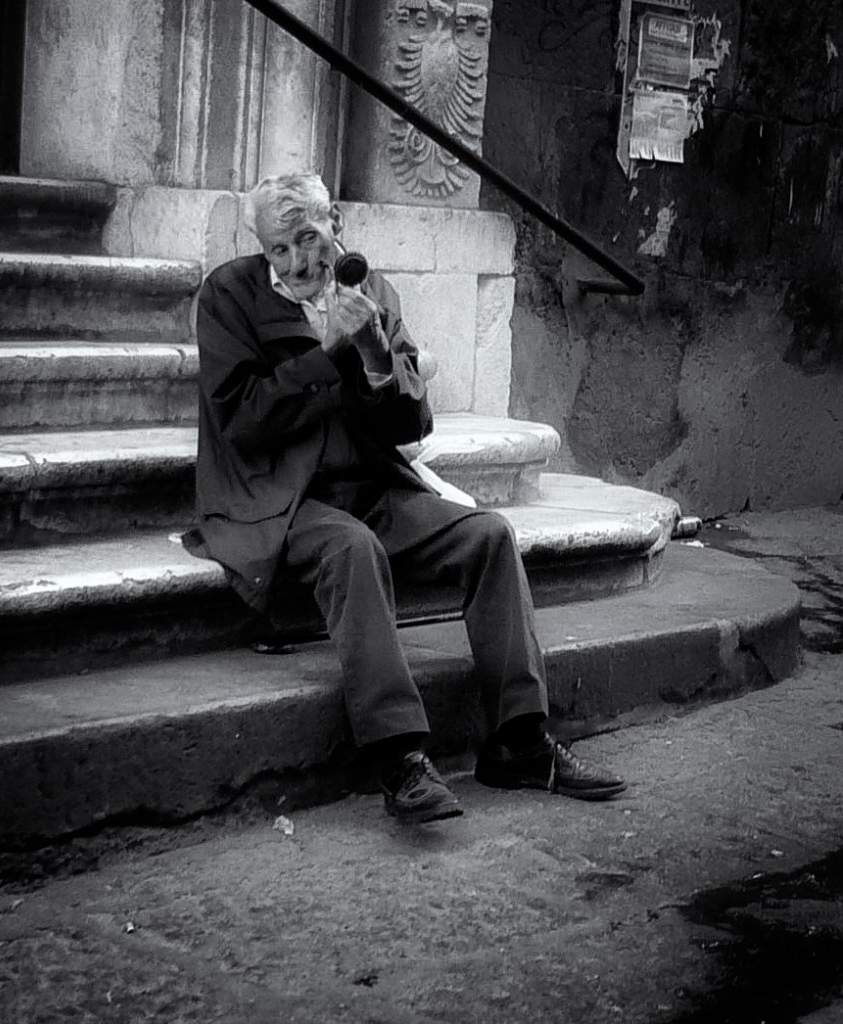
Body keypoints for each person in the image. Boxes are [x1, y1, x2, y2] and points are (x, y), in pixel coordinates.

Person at [183, 172, 626, 823]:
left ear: (334, 220)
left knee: (488, 534)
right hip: (276, 499)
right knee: (352, 549)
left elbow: (411, 425)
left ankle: (520, 742)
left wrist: (372, 356)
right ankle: (400, 758)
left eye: (307, 238)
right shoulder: (230, 294)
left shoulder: (372, 289)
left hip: (371, 485)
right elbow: (243, 422)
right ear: (261, 247)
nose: (297, 261)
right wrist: (327, 348)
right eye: (278, 248)